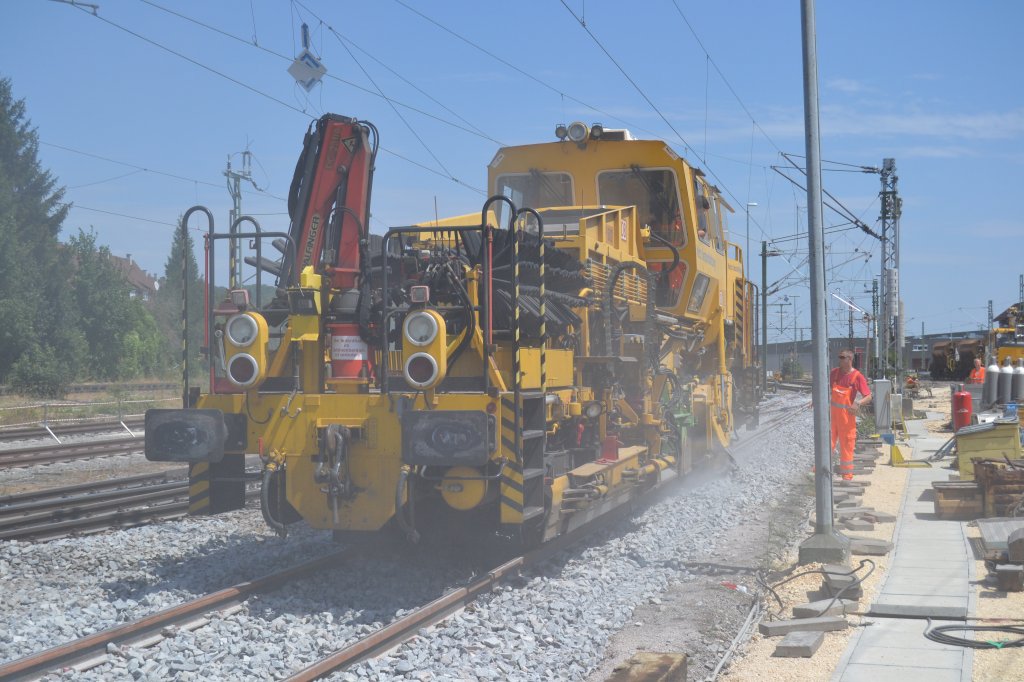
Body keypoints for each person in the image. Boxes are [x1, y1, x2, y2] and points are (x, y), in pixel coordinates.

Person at [830, 350, 871, 480]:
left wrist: (858, 403)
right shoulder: (834, 373)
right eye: (839, 357)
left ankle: (847, 475)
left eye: (842, 357)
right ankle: (818, 470)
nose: (840, 359)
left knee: (847, 445)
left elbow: (868, 396)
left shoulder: (857, 376)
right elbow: (825, 389)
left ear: (849, 359)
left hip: (847, 418)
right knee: (826, 443)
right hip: (832, 416)